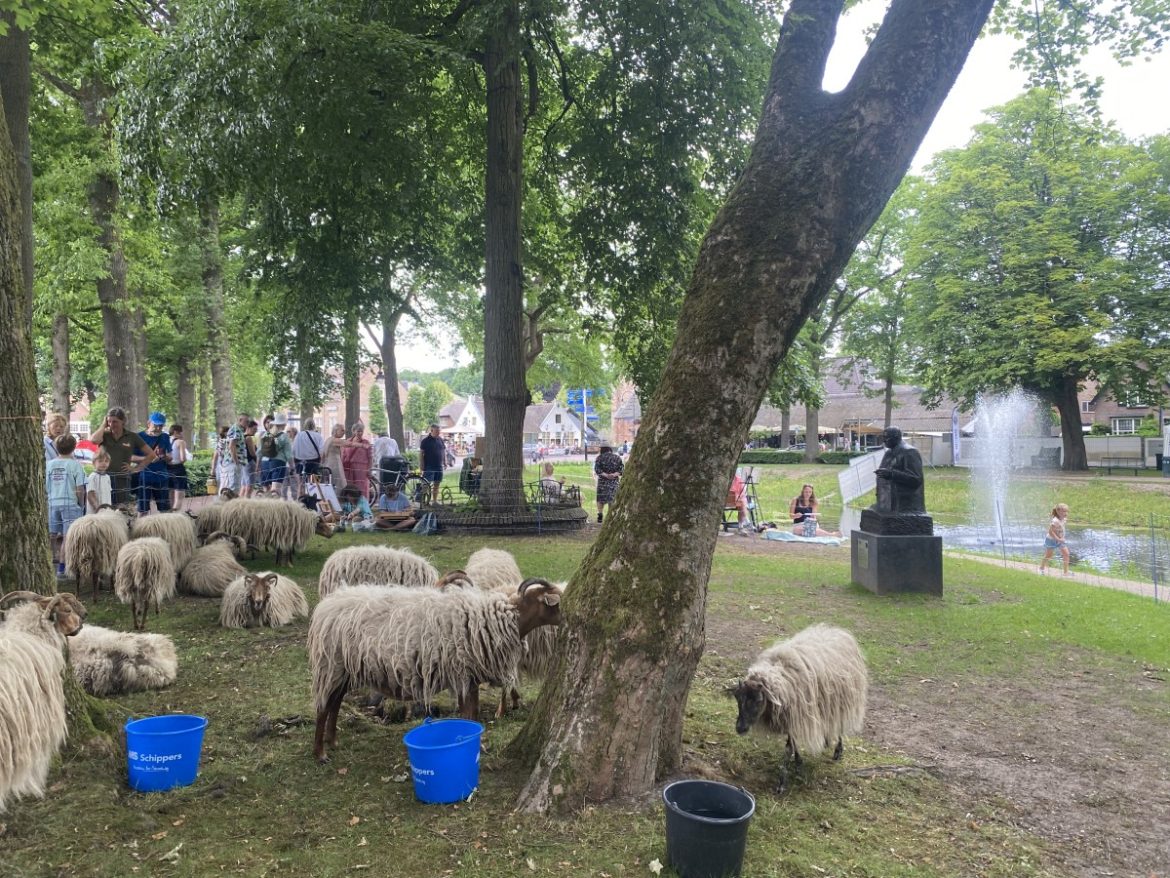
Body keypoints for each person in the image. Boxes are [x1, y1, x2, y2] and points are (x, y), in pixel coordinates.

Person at [90, 407, 149, 506]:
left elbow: (151, 455)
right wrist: (103, 425)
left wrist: (136, 469)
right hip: (103, 477)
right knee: (104, 507)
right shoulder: (104, 435)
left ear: (123, 421)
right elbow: (94, 440)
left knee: (121, 509)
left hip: (122, 480)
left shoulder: (132, 436)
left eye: (115, 422)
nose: (112, 425)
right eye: (109, 421)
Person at [46, 433, 86, 574]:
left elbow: (45, 485)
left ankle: (49, 565)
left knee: (52, 535)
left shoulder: (49, 465)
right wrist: (81, 505)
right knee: (67, 537)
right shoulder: (75, 465)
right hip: (70, 504)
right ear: (74, 448)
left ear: (56, 448)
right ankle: (62, 569)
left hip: (52, 503)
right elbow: (80, 489)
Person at [872, 425, 926, 514]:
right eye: (883, 437)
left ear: (896, 438)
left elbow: (916, 479)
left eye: (887, 438)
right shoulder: (889, 453)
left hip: (904, 505)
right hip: (887, 502)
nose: (884, 440)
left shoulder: (910, 452)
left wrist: (892, 474)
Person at [259, 414, 292, 492]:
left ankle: (264, 504)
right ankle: (274, 504)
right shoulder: (284, 436)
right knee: (275, 491)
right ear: (283, 424)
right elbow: (288, 454)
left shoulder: (266, 434)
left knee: (266, 490)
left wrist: (258, 465)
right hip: (278, 463)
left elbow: (259, 451)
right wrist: (292, 467)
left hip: (265, 463)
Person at [341, 421, 373, 496]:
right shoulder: (348, 441)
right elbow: (343, 455)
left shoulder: (366, 442)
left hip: (361, 470)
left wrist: (369, 469)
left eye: (361, 431)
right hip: (348, 469)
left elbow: (370, 458)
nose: (360, 433)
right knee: (349, 488)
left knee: (361, 488)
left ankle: (362, 504)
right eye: (358, 431)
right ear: (353, 431)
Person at [593, 445, 623, 523]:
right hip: (614, 482)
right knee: (612, 499)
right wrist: (614, 475)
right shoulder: (617, 457)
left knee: (600, 499)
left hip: (603, 482)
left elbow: (597, 469)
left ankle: (600, 515)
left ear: (603, 450)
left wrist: (606, 475)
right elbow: (621, 469)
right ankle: (610, 517)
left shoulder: (599, 458)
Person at [1040, 503, 1071, 575]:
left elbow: (1061, 529)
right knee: (1049, 555)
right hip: (1051, 540)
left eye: (1067, 511)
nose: (1066, 513)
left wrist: (1061, 538)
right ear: (1058, 511)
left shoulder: (1063, 519)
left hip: (1060, 540)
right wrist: (1058, 539)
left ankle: (1065, 572)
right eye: (1064, 511)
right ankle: (1041, 568)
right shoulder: (1055, 521)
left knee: (1066, 554)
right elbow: (1050, 532)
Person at [419, 423, 446, 502]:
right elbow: (421, 453)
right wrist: (421, 464)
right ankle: (423, 501)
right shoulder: (425, 441)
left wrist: (445, 461)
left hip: (439, 466)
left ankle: (434, 501)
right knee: (426, 484)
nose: (438, 432)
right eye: (437, 431)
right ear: (431, 431)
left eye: (439, 431)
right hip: (429, 466)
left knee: (437, 484)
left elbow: (443, 451)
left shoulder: (440, 439)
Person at [167, 423, 191, 512]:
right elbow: (183, 458)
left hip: (167, 469)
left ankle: (169, 515)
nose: (182, 434)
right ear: (176, 432)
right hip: (178, 469)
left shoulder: (166, 440)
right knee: (179, 495)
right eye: (181, 432)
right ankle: (176, 515)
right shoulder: (180, 442)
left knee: (170, 494)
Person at [321, 423, 347, 489]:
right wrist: (362, 445)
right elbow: (349, 444)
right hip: (335, 465)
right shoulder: (335, 440)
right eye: (342, 430)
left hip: (327, 465)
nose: (344, 432)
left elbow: (323, 455)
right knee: (339, 484)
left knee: (329, 484)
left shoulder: (328, 439)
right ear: (336, 430)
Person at [727, 470, 753, 536]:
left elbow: (743, 492)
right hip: (729, 501)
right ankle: (745, 522)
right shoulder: (735, 480)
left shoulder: (738, 480)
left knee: (741, 503)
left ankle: (741, 526)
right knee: (742, 502)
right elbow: (742, 493)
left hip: (736, 502)